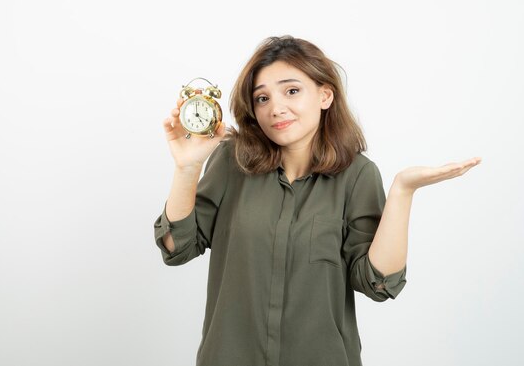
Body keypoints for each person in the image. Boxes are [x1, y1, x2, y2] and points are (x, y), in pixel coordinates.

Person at [153, 35, 481, 366]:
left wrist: (403, 191)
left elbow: (379, 283)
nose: (276, 108)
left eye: (291, 91)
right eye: (262, 98)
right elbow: (175, 247)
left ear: (325, 95)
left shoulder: (357, 176)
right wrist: (187, 167)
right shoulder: (231, 161)